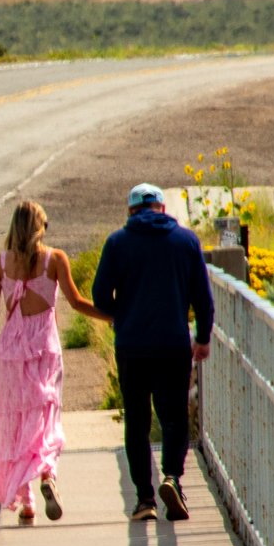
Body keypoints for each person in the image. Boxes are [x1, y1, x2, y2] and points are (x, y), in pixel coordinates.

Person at [0, 199, 96, 525]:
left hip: (10, 352)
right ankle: (47, 474)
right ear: (40, 228)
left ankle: (27, 503)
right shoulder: (54, 259)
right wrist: (114, 315)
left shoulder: (0, 263)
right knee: (45, 419)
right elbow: (77, 302)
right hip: (44, 350)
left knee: (17, 425)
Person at [91, 182, 214, 523]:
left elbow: (100, 296)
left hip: (132, 346)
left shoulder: (117, 243)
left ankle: (145, 499)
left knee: (138, 421)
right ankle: (172, 477)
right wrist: (202, 338)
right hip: (174, 345)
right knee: (174, 417)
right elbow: (203, 298)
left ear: (131, 211)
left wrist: (125, 313)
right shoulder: (186, 242)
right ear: (162, 208)